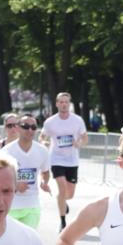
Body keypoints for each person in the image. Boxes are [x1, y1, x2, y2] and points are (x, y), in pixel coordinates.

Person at [41, 92, 88, 232]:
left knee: (70, 194)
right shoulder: (50, 122)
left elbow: (85, 138)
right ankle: (62, 221)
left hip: (72, 160)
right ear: (56, 104)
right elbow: (42, 136)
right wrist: (43, 142)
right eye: (61, 102)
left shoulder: (77, 120)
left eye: (66, 102)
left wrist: (78, 143)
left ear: (69, 103)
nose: (64, 104)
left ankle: (63, 202)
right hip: (56, 159)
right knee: (61, 188)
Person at [4, 116, 51, 229]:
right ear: (18, 128)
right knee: (10, 242)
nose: (30, 130)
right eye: (26, 126)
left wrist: (44, 182)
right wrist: (15, 185)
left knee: (28, 242)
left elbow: (45, 172)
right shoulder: (7, 151)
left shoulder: (42, 151)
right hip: (11, 205)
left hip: (32, 205)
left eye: (33, 127)